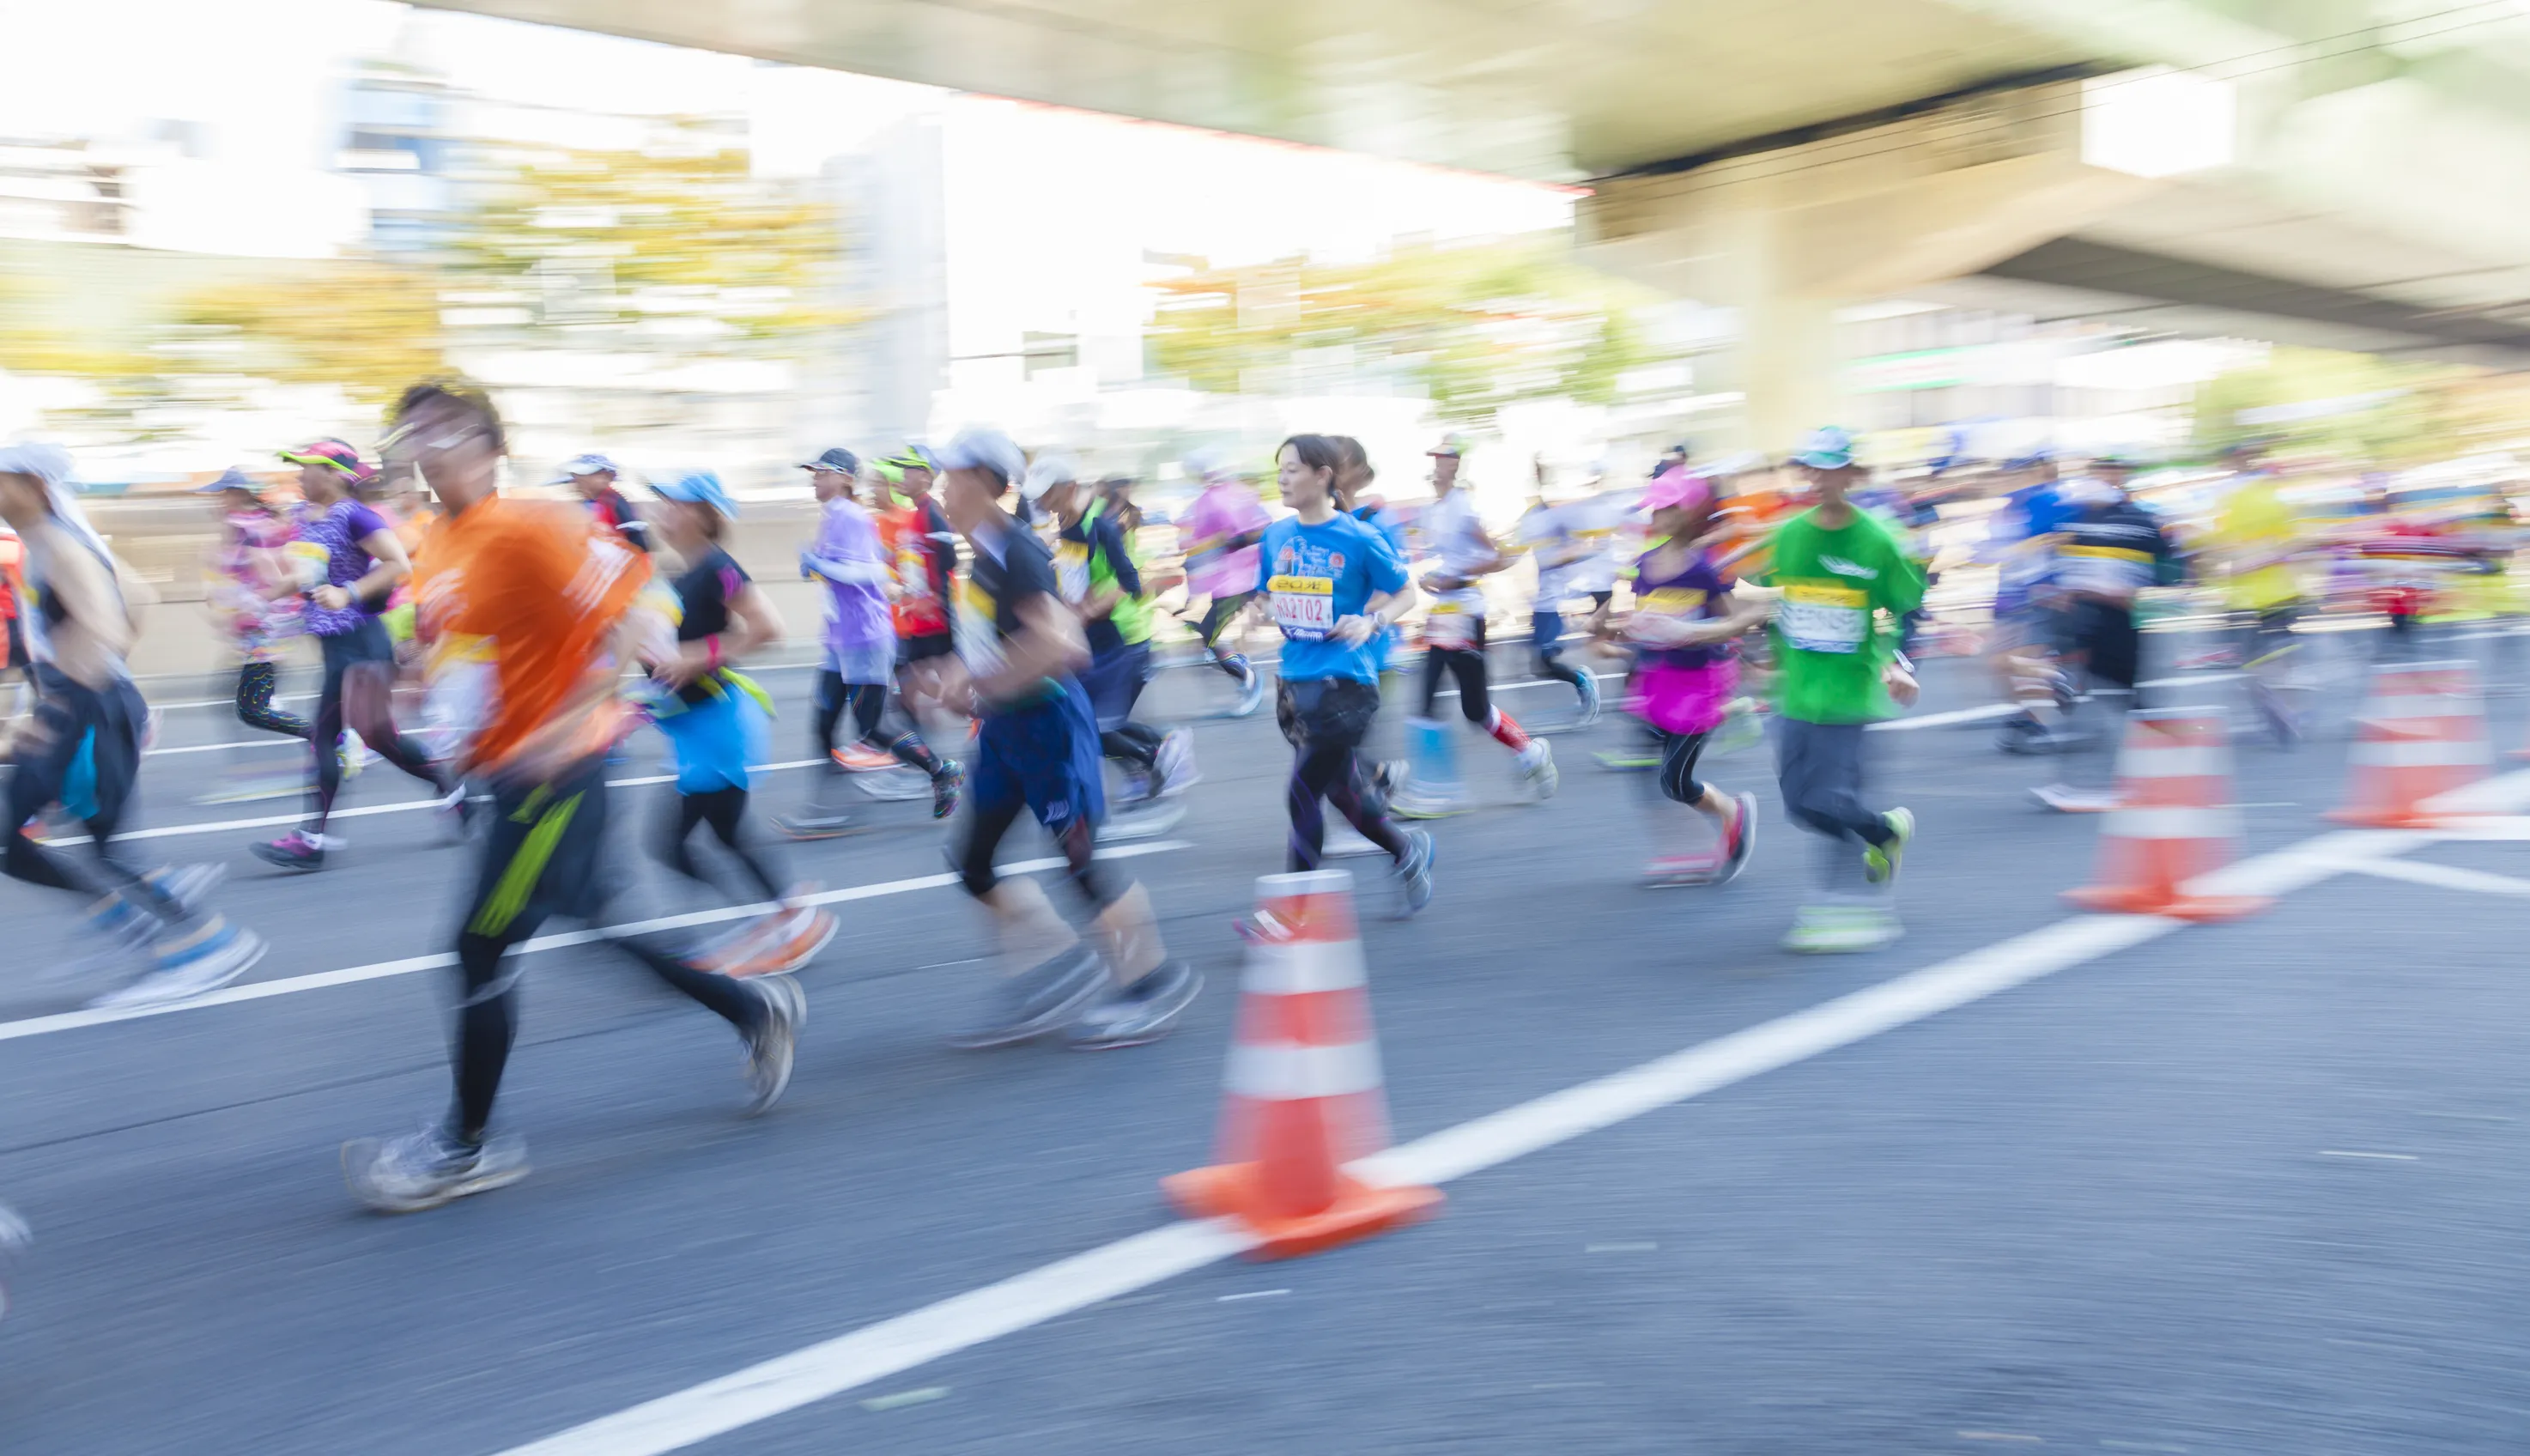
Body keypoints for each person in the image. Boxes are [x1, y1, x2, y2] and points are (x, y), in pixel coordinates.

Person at [342, 382, 803, 1214]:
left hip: (557, 778)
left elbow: (637, 619)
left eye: (447, 426)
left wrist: (573, 719)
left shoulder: (532, 523)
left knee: (479, 947)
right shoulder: (438, 540)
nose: (426, 438)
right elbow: (457, 657)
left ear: (490, 448)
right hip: (505, 777)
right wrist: (399, 701)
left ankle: (468, 1143)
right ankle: (753, 1009)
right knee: (601, 926)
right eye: (415, 426)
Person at [919, 428, 1199, 1051]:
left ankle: (1154, 982)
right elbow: (995, 642)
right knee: (973, 863)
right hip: (1005, 735)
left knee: (1081, 862)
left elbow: (1060, 645)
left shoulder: (1014, 552)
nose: (941, 486)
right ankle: (1057, 966)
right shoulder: (984, 554)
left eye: (951, 475)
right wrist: (952, 680)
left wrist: (983, 687)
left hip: (1046, 729)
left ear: (985, 483)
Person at [0, 444, 267, 1005]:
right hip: (88, 706)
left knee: (103, 851)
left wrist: (64, 704)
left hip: (85, 712)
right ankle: (138, 930)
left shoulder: (61, 545)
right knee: (22, 840)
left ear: (33, 485)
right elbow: (138, 600)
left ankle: (206, 944)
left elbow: (104, 623)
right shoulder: (52, 540)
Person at [638, 468, 835, 973]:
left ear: (704, 514)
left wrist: (693, 657)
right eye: (661, 501)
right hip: (695, 727)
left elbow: (770, 627)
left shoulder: (718, 568)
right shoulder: (682, 573)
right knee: (719, 834)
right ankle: (784, 913)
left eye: (673, 502)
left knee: (677, 842)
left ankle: (787, 919)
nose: (662, 510)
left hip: (718, 729)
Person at [251, 440, 456, 871]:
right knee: (384, 739)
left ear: (336, 475)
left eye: (308, 468)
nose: (300, 475)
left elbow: (399, 563)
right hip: (338, 649)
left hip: (361, 646)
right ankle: (454, 793)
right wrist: (267, 597)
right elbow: (308, 576)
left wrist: (349, 593)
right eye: (298, 468)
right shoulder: (307, 519)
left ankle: (313, 841)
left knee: (324, 736)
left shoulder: (355, 515)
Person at [1767, 428, 1924, 954]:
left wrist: (1892, 662)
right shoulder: (1790, 535)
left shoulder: (1876, 539)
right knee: (1799, 805)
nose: (1820, 479)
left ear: (1853, 476)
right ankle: (1883, 833)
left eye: (1832, 470)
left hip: (1849, 692)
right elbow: (1780, 603)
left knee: (1829, 797)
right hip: (1797, 693)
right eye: (1812, 469)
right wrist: (1763, 655)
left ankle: (1835, 905)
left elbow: (1886, 609)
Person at [1260, 434, 1433, 908]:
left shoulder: (1359, 536)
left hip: (1346, 684)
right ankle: (1405, 852)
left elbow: (1405, 593)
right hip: (1295, 682)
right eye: (1280, 468)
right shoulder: (1275, 536)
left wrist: (1372, 620)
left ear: (1323, 475)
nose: (1282, 477)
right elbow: (1267, 592)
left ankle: (1295, 914)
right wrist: (1260, 608)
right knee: (1342, 792)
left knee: (1301, 793)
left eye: (1293, 468)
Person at [783, 446, 962, 837]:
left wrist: (819, 565)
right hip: (839, 640)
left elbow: (867, 572)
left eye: (822, 472)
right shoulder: (832, 515)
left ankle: (941, 770)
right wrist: (812, 568)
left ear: (846, 478)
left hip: (864, 637)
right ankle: (827, 808)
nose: (814, 478)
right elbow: (837, 574)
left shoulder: (853, 517)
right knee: (823, 724)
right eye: (812, 472)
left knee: (872, 727)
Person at [1395, 434, 1557, 816]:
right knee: (1453, 706)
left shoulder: (1463, 507)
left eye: (1444, 458)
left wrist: (1457, 580)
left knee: (1464, 707)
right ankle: (1524, 754)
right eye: (1433, 456)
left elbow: (1500, 558)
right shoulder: (1434, 509)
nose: (1437, 464)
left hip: (1466, 614)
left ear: (1456, 464)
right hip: (1444, 615)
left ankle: (1444, 787)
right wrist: (1434, 579)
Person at [1024, 455, 1195, 804]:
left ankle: (1157, 760)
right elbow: (1072, 583)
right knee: (1093, 723)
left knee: (1092, 727)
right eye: (1037, 496)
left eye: (1047, 495)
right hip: (1086, 641)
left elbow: (1129, 582)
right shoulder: (1065, 530)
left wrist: (1088, 609)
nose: (1040, 503)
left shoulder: (1098, 527)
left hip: (1118, 640)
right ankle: (1162, 754)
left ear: (1070, 489)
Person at [1620, 465, 1762, 885]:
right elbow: (1641, 619)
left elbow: (1737, 621)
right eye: (1653, 510)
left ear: (1684, 511)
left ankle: (1734, 811)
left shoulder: (1703, 568)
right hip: (1654, 682)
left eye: (1664, 509)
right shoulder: (1645, 565)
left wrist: (1691, 632)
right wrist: (1614, 628)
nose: (1656, 518)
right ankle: (1681, 849)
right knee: (1643, 767)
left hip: (1697, 687)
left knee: (1674, 781)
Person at [2030, 459, 2179, 812]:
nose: (2104, 479)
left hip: (2119, 622)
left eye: (2112, 472)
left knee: (2123, 700)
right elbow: (2058, 565)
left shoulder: (2142, 522)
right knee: (2094, 700)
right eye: (2099, 472)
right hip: (2084, 624)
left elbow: (2169, 569)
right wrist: (2060, 592)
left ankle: (2125, 776)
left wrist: (2126, 590)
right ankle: (2085, 781)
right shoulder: (2075, 520)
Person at [197, 467, 309, 742]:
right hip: (260, 630)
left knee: (250, 708)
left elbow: (270, 570)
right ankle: (324, 738)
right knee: (243, 704)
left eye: (222, 495)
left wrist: (256, 604)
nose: (218, 501)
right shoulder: (258, 522)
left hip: (261, 630)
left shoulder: (243, 526)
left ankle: (328, 737)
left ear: (237, 495)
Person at [1175, 449, 1270, 716]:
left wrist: (1226, 543)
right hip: (1239, 579)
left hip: (1234, 582)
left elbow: (1242, 537)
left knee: (1209, 636)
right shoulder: (1238, 493)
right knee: (1208, 636)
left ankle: (1247, 676)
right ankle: (1243, 670)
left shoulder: (1214, 500)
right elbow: (1260, 530)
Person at [1514, 466, 1604, 727]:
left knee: (1543, 659)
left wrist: (1580, 552)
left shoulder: (1554, 518)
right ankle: (1581, 679)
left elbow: (1571, 550)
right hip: (1543, 602)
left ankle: (1583, 682)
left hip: (1554, 602)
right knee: (1540, 664)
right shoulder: (1537, 517)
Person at [554, 452, 649, 552]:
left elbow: (640, 542)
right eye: (575, 478)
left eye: (580, 478)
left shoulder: (614, 500)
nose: (575, 483)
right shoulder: (589, 503)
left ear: (608, 477)